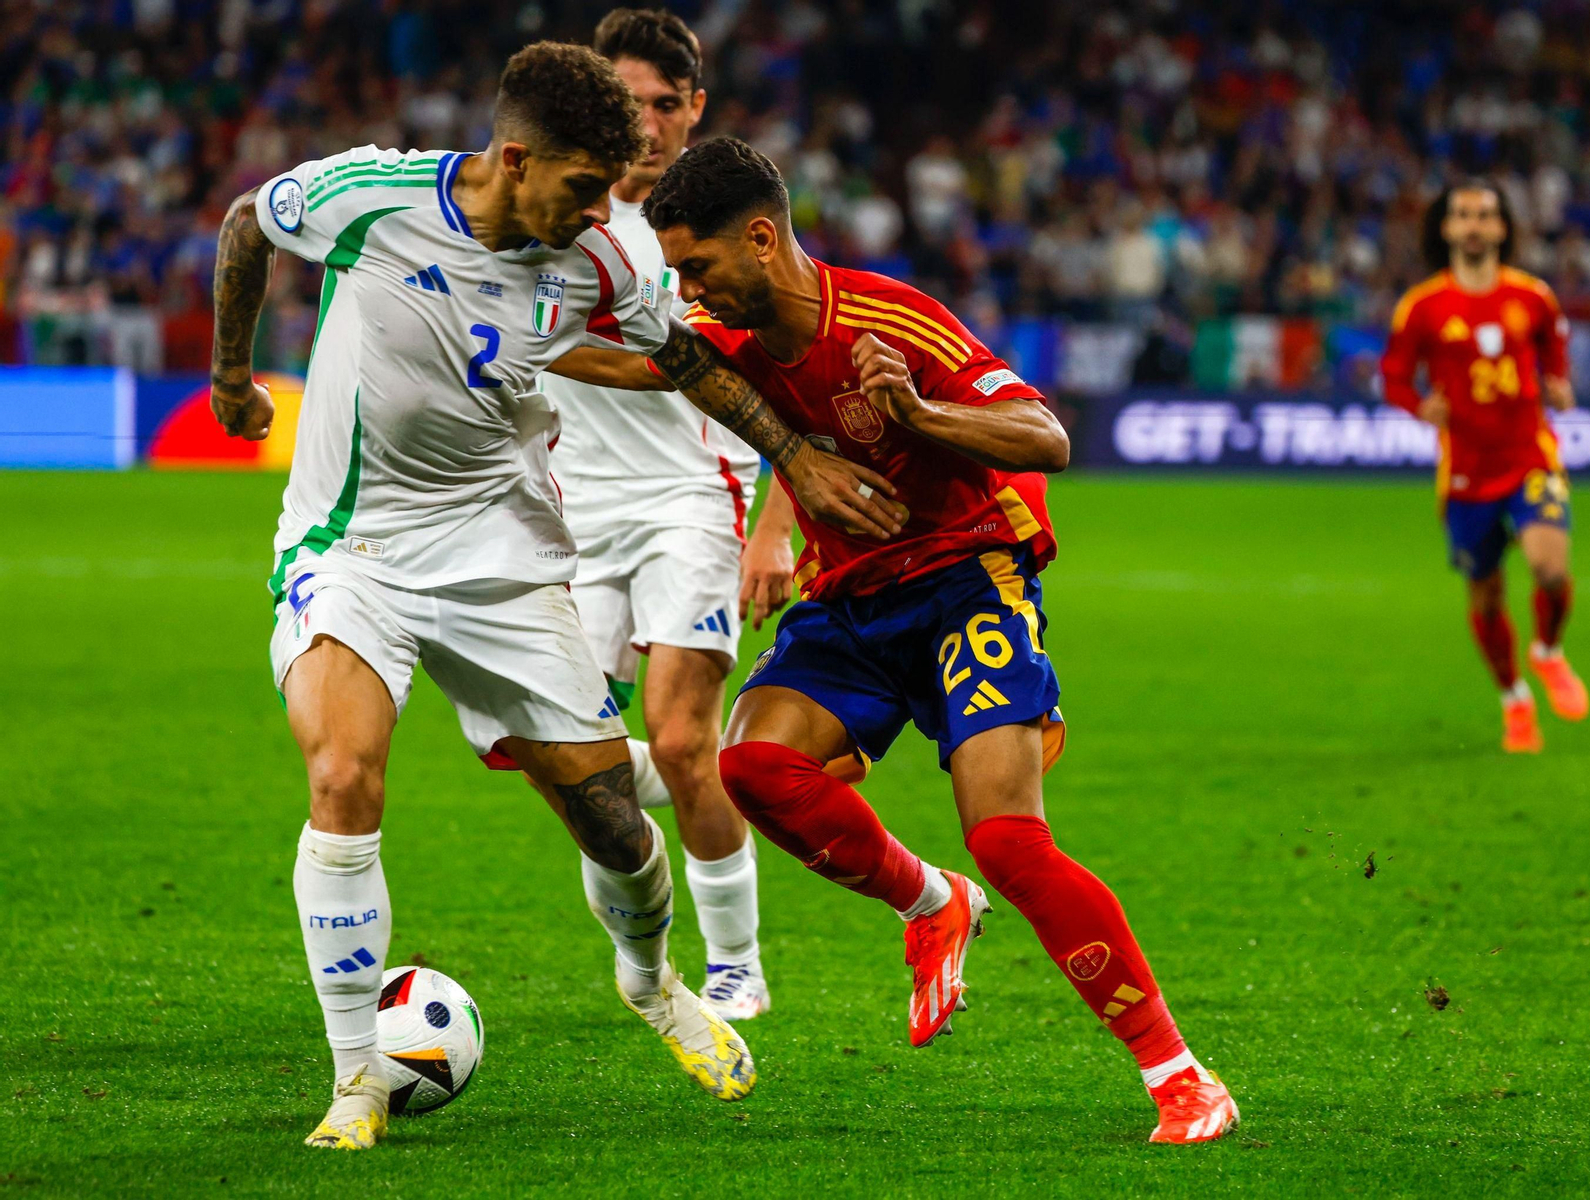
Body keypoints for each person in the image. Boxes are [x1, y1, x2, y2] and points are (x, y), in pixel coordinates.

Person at [209, 45, 901, 1151]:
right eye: (583, 187)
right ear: (517, 157)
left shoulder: (595, 261)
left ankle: (652, 982)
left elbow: (686, 361)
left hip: (506, 554)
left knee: (609, 822)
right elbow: (248, 222)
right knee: (342, 771)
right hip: (355, 548)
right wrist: (232, 377)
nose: (598, 213)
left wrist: (798, 461)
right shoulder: (364, 197)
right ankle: (355, 1080)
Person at [571, 135, 1239, 1145]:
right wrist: (489, 337)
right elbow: (638, 360)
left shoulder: (891, 320)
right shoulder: (724, 336)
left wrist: (919, 414)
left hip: (967, 581)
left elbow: (1047, 438)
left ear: (760, 239)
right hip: (847, 602)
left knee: (1009, 838)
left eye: (698, 266)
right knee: (751, 766)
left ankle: (1180, 1076)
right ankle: (929, 903)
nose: (688, 287)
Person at [540, 8, 785, 1022]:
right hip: (569, 510)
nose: (638, 125)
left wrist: (776, 530)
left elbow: (785, 379)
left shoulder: (716, 229)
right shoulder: (553, 211)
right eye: (621, 101)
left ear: (693, 107)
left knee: (681, 740)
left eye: (657, 104)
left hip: (695, 496)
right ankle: (648, 941)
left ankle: (737, 962)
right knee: (555, 758)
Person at [1382, 181, 1588, 752]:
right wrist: (1419, 406)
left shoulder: (1533, 297)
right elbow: (1394, 375)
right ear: (1447, 229)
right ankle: (1515, 701)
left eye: (1486, 215)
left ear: (1502, 229)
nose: (1475, 224)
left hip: (1529, 455)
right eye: (1464, 215)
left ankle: (1546, 652)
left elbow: (1554, 345)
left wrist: (1558, 382)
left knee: (1551, 568)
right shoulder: (1423, 307)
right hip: (1467, 471)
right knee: (1487, 596)